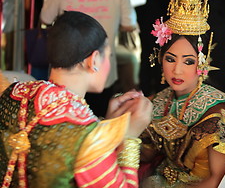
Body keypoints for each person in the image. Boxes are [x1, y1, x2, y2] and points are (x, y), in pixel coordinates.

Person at [0, 11, 153, 187]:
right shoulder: (86, 136)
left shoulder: (15, 92)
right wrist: (129, 137)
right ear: (93, 60)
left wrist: (106, 125)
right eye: (109, 56)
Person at [139, 0, 225, 187]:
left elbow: (218, 181)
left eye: (188, 61)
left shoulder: (216, 116)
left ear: (203, 63)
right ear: (159, 57)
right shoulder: (161, 101)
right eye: (170, 59)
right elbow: (146, 151)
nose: (177, 71)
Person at [40, 0, 137, 118]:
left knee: (62, 119)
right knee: (98, 118)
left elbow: (45, 19)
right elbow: (129, 25)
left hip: (66, 72)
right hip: (102, 70)